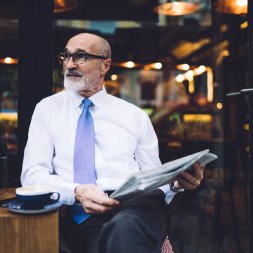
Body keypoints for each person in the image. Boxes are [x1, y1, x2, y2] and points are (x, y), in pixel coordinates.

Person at [21, 33, 204, 253]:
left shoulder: (134, 116)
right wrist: (76, 191)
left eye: (80, 56)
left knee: (128, 225)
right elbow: (32, 175)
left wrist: (175, 184)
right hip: (83, 212)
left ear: (105, 65)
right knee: (116, 236)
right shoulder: (47, 109)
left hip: (140, 206)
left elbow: (153, 177)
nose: (70, 64)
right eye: (66, 57)